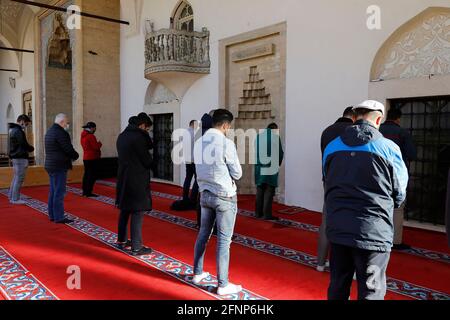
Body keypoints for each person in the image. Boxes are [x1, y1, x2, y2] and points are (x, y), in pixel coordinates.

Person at [323, 100, 408, 300]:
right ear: (378, 119)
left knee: (338, 285)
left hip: (339, 228)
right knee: (372, 291)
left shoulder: (331, 147)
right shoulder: (389, 148)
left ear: (354, 118)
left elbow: (327, 181)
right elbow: (399, 193)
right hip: (373, 233)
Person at [192, 109, 243, 296]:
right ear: (225, 125)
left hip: (204, 194)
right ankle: (223, 284)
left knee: (203, 234)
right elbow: (237, 173)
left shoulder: (198, 143)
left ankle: (197, 273)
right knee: (224, 241)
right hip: (224, 196)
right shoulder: (226, 143)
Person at [316, 107, 356, 272]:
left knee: (327, 219)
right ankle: (348, 267)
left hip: (330, 181)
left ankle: (320, 263)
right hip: (350, 183)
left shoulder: (327, 131)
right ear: (353, 117)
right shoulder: (353, 131)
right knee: (351, 221)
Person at [115, 113, 154, 256]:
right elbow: (147, 160)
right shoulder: (138, 138)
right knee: (137, 211)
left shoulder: (122, 135)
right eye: (147, 129)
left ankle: (122, 240)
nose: (147, 132)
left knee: (125, 209)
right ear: (143, 126)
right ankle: (137, 247)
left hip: (124, 176)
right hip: (136, 178)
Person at [380, 108, 417, 251]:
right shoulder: (402, 133)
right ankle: (395, 241)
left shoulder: (377, 131)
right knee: (397, 209)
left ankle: (379, 237)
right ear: (398, 119)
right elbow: (412, 154)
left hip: (378, 175)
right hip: (396, 177)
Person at [45, 113, 79, 224]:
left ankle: (52, 215)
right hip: (59, 165)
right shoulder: (61, 133)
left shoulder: (49, 131)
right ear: (62, 122)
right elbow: (68, 149)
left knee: (53, 191)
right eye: (66, 122)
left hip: (51, 164)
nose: (67, 124)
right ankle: (59, 217)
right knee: (59, 192)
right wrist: (76, 156)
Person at [255, 123, 284, 220]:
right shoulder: (275, 136)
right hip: (270, 167)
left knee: (260, 190)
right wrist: (278, 164)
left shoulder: (258, 137)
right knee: (269, 191)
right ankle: (266, 215)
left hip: (259, 168)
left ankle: (258, 213)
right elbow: (280, 153)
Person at [8, 115, 34, 205]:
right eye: (26, 123)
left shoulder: (12, 130)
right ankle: (15, 199)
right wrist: (31, 148)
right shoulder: (18, 131)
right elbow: (23, 144)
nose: (26, 125)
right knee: (19, 178)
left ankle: (11, 195)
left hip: (15, 156)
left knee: (16, 177)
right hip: (19, 157)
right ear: (22, 121)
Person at [80, 122, 102, 198]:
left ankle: (85, 191)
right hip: (92, 158)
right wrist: (99, 144)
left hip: (86, 158)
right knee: (91, 176)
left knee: (86, 175)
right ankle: (88, 192)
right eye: (94, 128)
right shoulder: (91, 136)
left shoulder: (83, 136)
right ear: (92, 128)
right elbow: (95, 147)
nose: (95, 130)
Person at [182, 120, 199, 205]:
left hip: (187, 159)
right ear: (193, 124)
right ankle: (193, 198)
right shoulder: (194, 133)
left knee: (188, 178)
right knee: (197, 179)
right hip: (194, 160)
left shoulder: (185, 133)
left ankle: (185, 197)